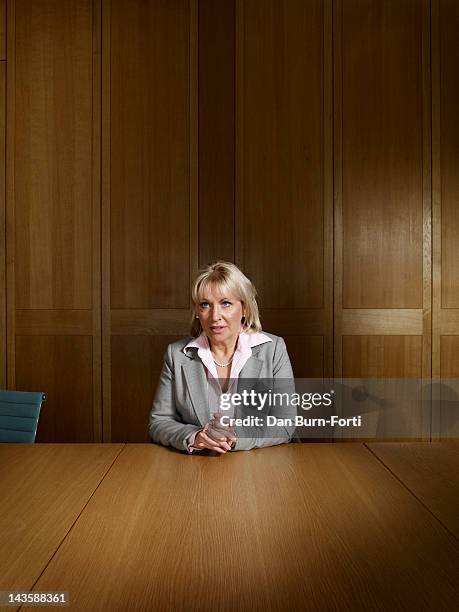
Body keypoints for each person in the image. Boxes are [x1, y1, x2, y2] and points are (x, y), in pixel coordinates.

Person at [149, 261, 295, 453]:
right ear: (197, 313)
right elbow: (159, 422)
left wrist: (233, 439)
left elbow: (285, 424)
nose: (215, 315)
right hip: (195, 468)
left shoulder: (274, 349)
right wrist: (195, 437)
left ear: (244, 308)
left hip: (258, 466)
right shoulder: (176, 354)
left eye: (226, 303)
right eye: (205, 305)